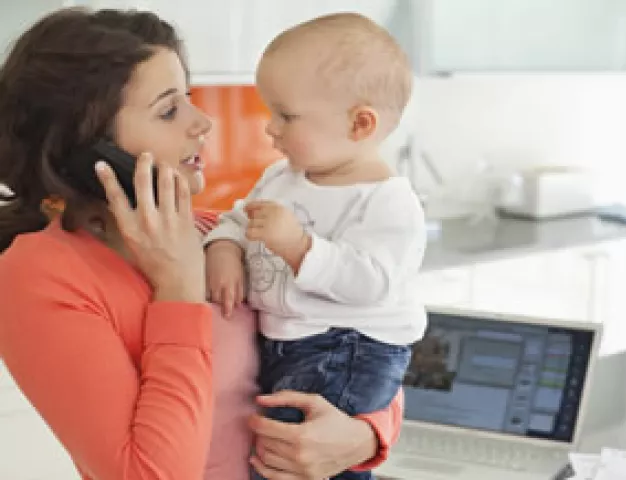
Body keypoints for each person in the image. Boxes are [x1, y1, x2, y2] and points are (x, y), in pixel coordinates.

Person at [0, 8, 401, 480]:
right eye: (169, 110)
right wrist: (179, 290)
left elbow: (363, 340)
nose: (203, 122)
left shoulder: (221, 232)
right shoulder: (37, 275)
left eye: (188, 98)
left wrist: (367, 434)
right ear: (90, 147)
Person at [204, 13, 426, 480]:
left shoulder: (388, 202)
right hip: (291, 343)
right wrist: (223, 248)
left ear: (360, 123)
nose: (270, 128)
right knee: (283, 457)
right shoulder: (282, 179)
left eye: (286, 115)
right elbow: (236, 219)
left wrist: (300, 246)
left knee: (290, 461)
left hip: (347, 347)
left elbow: (373, 283)